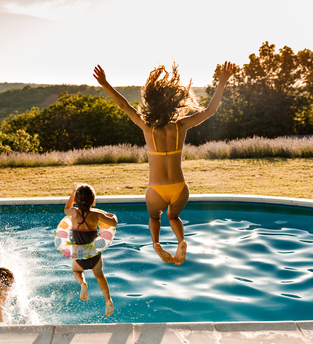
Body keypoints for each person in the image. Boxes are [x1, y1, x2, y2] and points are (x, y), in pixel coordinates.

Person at [93, 62, 233, 265]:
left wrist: (105, 84)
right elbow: (210, 111)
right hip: (179, 189)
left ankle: (157, 243)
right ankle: (181, 241)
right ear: (174, 104)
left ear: (151, 103)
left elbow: (125, 105)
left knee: (155, 217)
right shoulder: (181, 126)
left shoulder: (147, 127)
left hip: (156, 189)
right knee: (174, 217)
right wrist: (222, 83)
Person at [64, 183, 118, 316]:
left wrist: (72, 194)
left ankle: (82, 283)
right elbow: (113, 223)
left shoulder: (73, 213)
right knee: (99, 275)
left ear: (76, 201)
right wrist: (113, 216)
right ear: (93, 202)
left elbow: (66, 208)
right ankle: (108, 300)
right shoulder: (96, 215)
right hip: (94, 256)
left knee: (76, 271)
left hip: (79, 256)